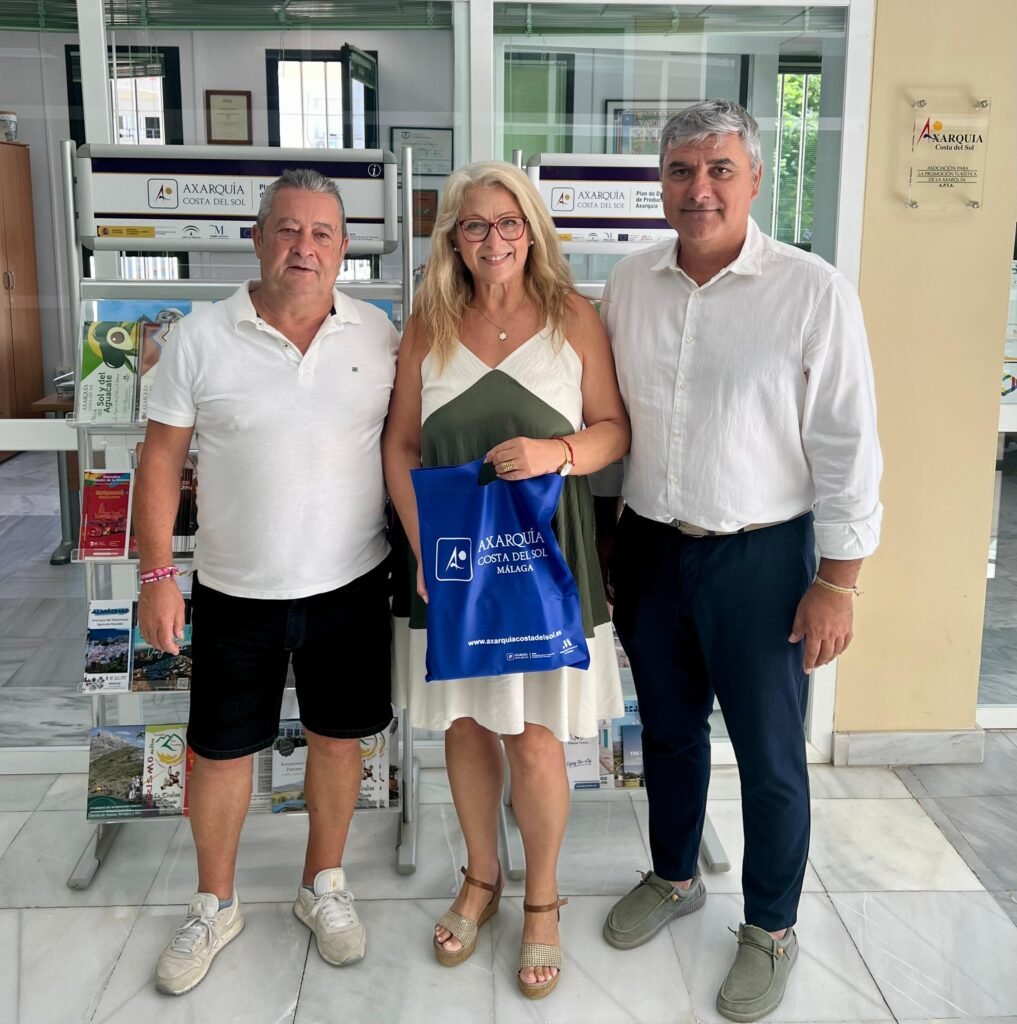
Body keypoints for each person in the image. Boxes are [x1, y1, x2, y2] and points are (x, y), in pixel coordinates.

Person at [597, 100, 882, 1022]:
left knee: (768, 754)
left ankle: (770, 927)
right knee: (667, 734)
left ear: (754, 179)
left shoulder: (811, 290)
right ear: (659, 184)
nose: (699, 189)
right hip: (650, 548)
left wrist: (837, 581)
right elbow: (612, 421)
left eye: (720, 169)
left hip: (763, 559)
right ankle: (674, 874)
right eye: (681, 170)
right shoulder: (630, 284)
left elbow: (847, 445)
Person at [135, 168, 399, 996]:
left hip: (351, 583)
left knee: (338, 740)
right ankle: (214, 903)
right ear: (255, 239)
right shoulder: (200, 337)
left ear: (345, 249)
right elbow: (160, 460)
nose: (303, 247)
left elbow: (405, 447)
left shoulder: (377, 335)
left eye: (321, 233)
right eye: (287, 229)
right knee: (218, 753)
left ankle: (323, 884)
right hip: (234, 589)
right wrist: (156, 574)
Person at [383, 161, 629, 999]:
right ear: (453, 239)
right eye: (475, 225)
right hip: (453, 564)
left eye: (509, 222)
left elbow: (613, 429)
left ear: (531, 231)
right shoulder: (427, 325)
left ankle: (543, 899)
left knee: (533, 735)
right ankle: (481, 878)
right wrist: (423, 545)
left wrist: (557, 452)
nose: (494, 239)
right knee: (463, 727)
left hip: (544, 565)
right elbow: (400, 444)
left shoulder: (573, 318)